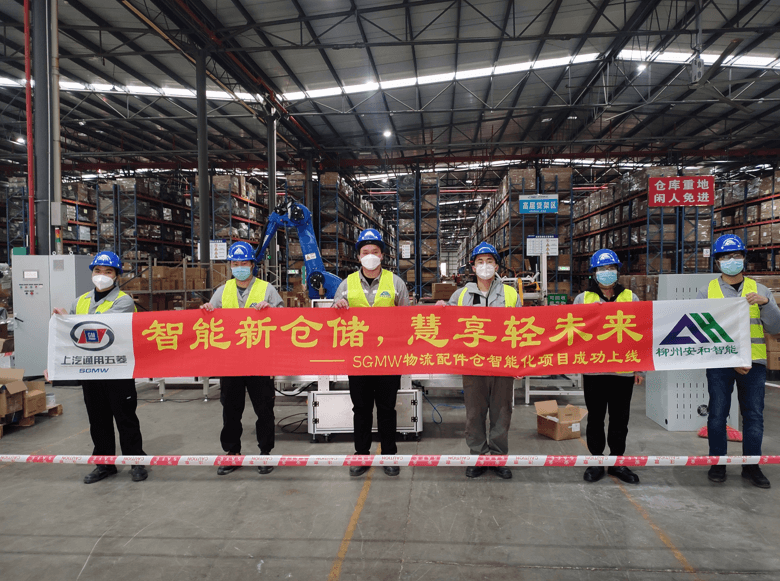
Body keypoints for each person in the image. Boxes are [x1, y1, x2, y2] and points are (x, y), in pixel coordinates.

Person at [52, 251, 147, 484]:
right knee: (98, 419)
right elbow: (71, 335)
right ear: (92, 273)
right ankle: (104, 463)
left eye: (108, 271)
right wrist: (64, 320)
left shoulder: (123, 301)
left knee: (125, 417)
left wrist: (71, 322)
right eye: (97, 270)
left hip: (118, 369)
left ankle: (136, 460)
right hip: (90, 370)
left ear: (116, 275)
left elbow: (102, 327)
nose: (101, 275)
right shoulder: (80, 301)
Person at [696, 234, 780, 489]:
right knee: (717, 415)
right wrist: (731, 359)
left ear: (743, 258)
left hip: (754, 363)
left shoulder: (761, 290)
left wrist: (767, 304)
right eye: (725, 257)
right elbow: (702, 333)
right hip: (721, 364)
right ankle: (717, 463)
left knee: (753, 415)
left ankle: (751, 465)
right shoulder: (706, 292)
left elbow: (775, 327)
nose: (731, 260)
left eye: (736, 256)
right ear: (717, 262)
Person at [437, 241, 519, 479]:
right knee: (474, 414)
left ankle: (498, 458)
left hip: (502, 365)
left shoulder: (511, 294)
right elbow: (447, 324)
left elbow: (522, 329)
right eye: (480, 262)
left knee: (502, 413)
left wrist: (520, 362)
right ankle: (478, 456)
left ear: (497, 266)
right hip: (473, 365)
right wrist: (441, 308)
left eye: (489, 261)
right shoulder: (461, 295)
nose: (485, 266)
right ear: (473, 267)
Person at [201, 241, 284, 476]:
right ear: (230, 265)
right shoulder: (222, 291)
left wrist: (271, 310)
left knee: (264, 409)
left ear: (252, 265)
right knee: (230, 410)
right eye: (235, 263)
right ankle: (232, 453)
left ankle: (265, 453)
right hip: (231, 362)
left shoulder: (267, 289)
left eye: (243, 263)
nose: (239, 267)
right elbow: (210, 318)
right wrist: (207, 310)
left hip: (260, 361)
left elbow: (284, 319)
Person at [333, 228, 410, 477]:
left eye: (374, 251)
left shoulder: (396, 283)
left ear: (382, 255)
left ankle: (389, 455)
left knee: (387, 409)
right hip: (358, 359)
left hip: (388, 359)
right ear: (358, 256)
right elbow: (334, 319)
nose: (370, 256)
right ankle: (362, 454)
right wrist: (338, 306)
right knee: (361, 409)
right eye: (365, 252)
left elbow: (408, 319)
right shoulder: (345, 285)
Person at [574, 249, 643, 485]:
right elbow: (574, 334)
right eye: (602, 269)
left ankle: (617, 461)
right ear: (594, 273)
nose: (607, 272)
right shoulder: (583, 299)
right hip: (594, 371)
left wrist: (640, 368)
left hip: (623, 371)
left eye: (610, 268)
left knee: (620, 419)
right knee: (595, 418)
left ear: (618, 271)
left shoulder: (631, 298)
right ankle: (596, 460)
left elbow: (640, 335)